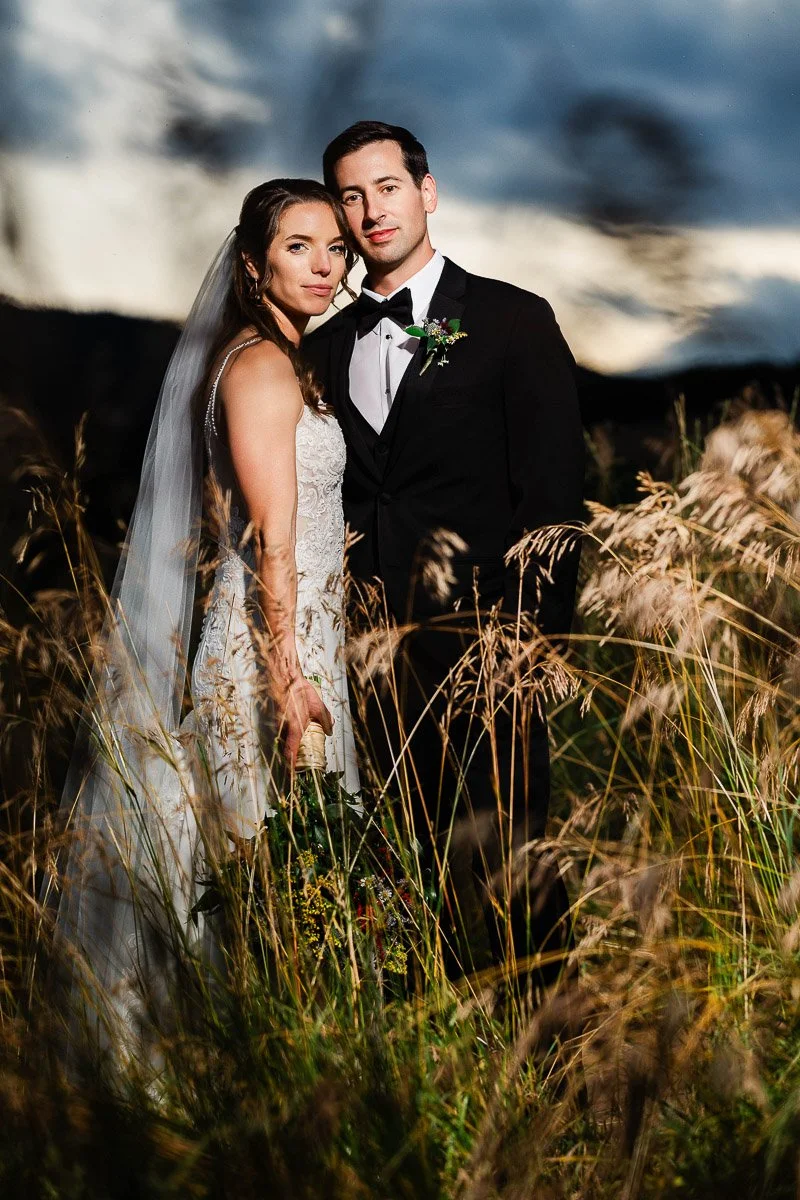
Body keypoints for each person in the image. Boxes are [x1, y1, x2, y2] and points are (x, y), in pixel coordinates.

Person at [44, 178, 359, 1062]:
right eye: (299, 246)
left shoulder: (279, 357)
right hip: (270, 651)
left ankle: (264, 1060)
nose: (324, 265)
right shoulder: (259, 365)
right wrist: (290, 678)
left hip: (296, 636)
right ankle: (246, 1062)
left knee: (275, 869)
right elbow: (272, 543)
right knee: (262, 868)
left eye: (334, 246)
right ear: (254, 264)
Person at [304, 121, 585, 985]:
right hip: (372, 664)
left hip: (488, 655)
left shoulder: (512, 321)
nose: (370, 209)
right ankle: (427, 1069)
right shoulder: (321, 349)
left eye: (386, 186)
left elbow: (553, 507)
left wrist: (530, 652)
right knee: (396, 876)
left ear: (428, 192)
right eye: (350, 196)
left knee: (515, 876)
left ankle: (558, 1073)